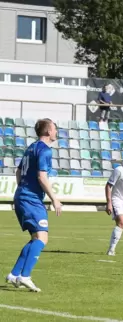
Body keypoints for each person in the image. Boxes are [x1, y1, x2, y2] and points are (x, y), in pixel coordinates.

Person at [5, 119, 62, 292]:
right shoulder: (44, 150)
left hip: (23, 196)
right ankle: (25, 276)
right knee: (42, 238)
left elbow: (18, 171)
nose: (56, 132)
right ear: (48, 132)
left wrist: (22, 189)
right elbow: (41, 177)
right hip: (31, 199)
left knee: (35, 238)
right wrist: (54, 199)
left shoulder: (31, 147)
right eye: (54, 129)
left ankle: (15, 274)